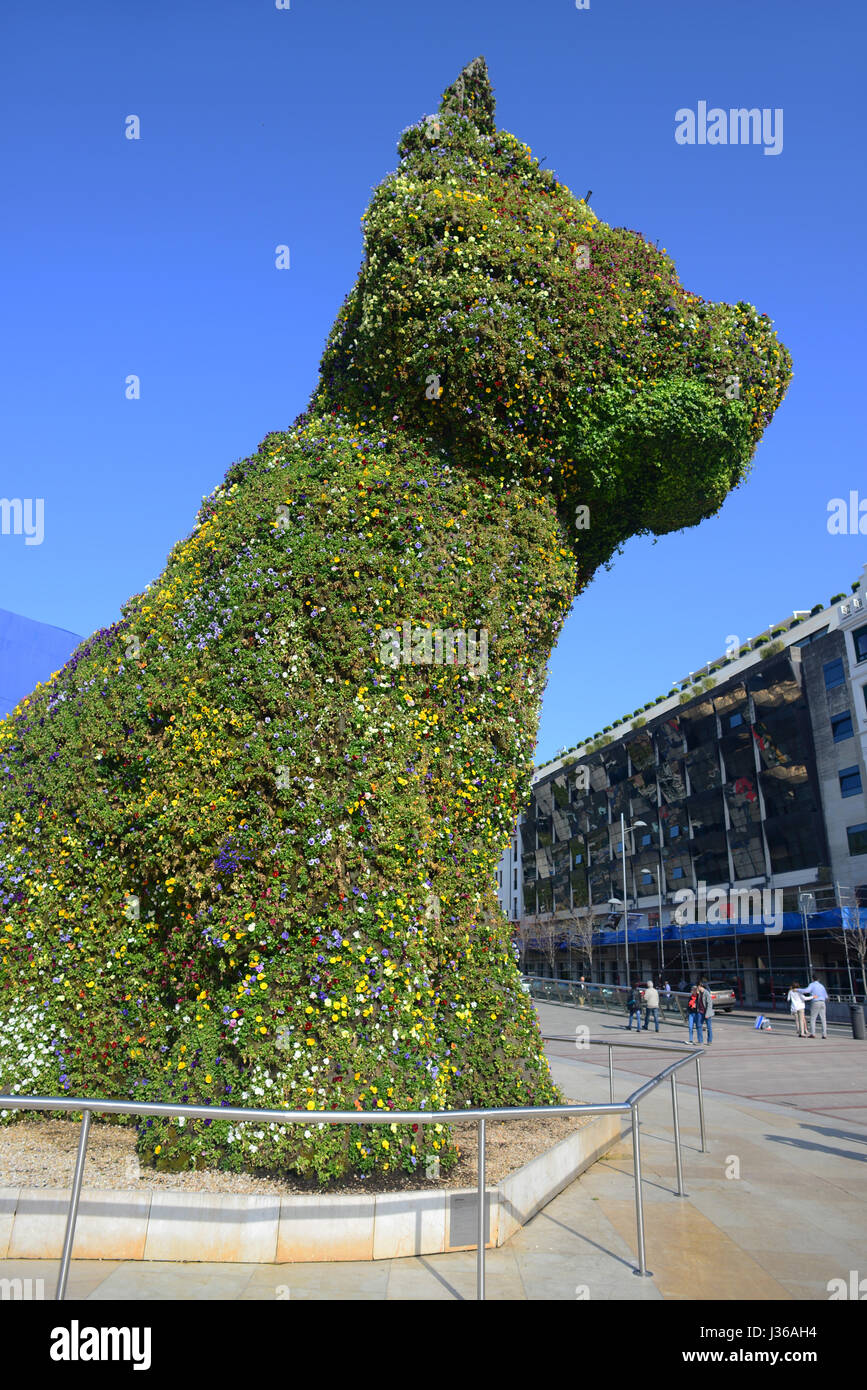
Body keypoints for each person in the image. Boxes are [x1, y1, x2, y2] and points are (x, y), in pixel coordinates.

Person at [698, 978, 714, 1044]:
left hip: (707, 1013)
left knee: (709, 1027)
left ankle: (709, 1041)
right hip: (700, 1012)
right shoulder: (699, 993)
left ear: (700, 986)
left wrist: (707, 1014)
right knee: (699, 1025)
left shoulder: (706, 993)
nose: (697, 988)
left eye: (698, 987)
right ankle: (700, 1041)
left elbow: (710, 1004)